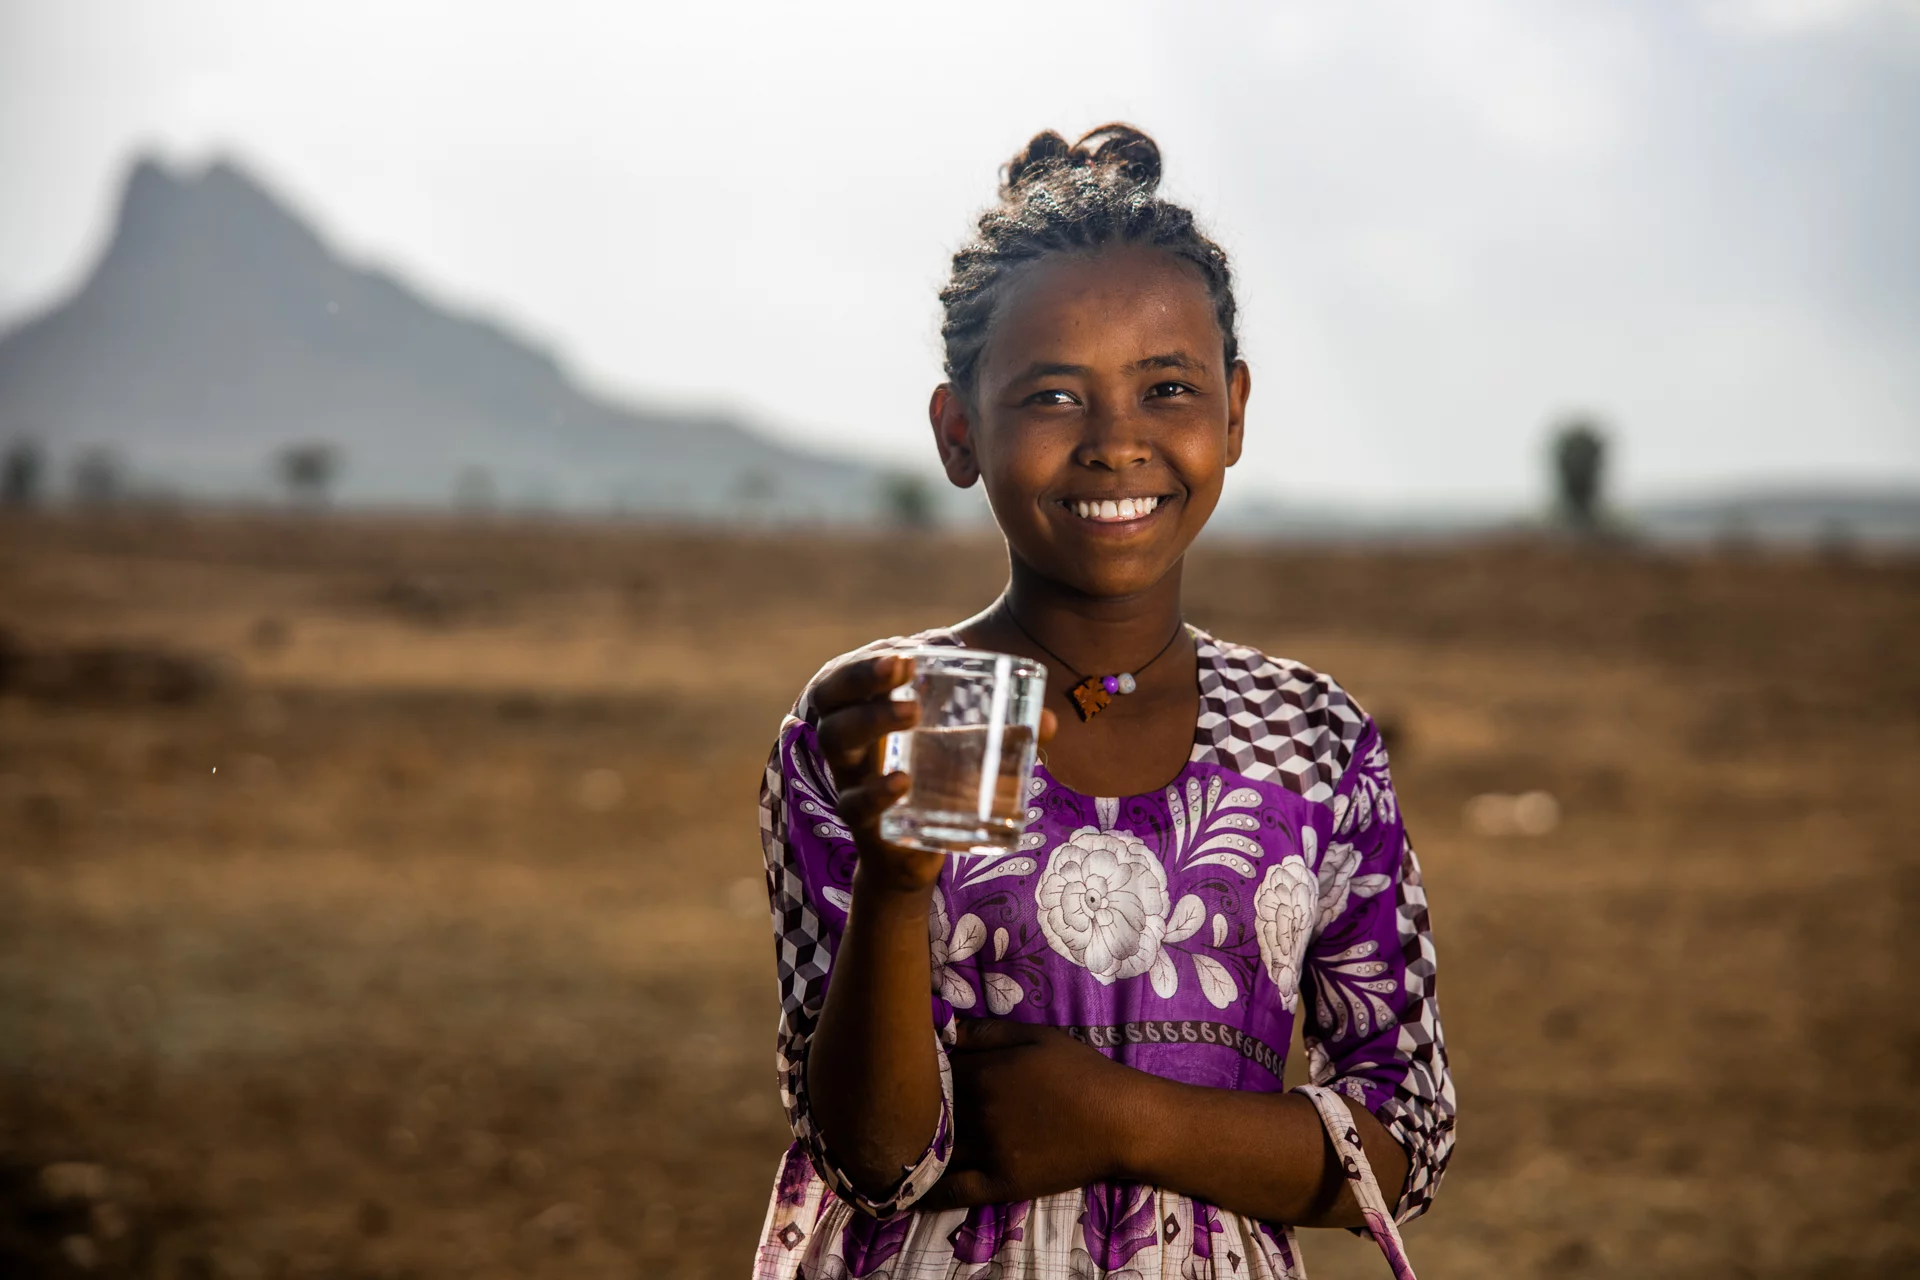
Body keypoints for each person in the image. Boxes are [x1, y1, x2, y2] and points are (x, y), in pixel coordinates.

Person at [753, 124, 1454, 1280]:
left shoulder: (1312, 741)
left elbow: (1407, 1137)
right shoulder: (896, 719)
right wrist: (895, 878)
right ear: (958, 430)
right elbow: (872, 1158)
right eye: (1053, 396)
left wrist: (1119, 1119)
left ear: (1232, 411)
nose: (1117, 441)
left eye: (1166, 388)